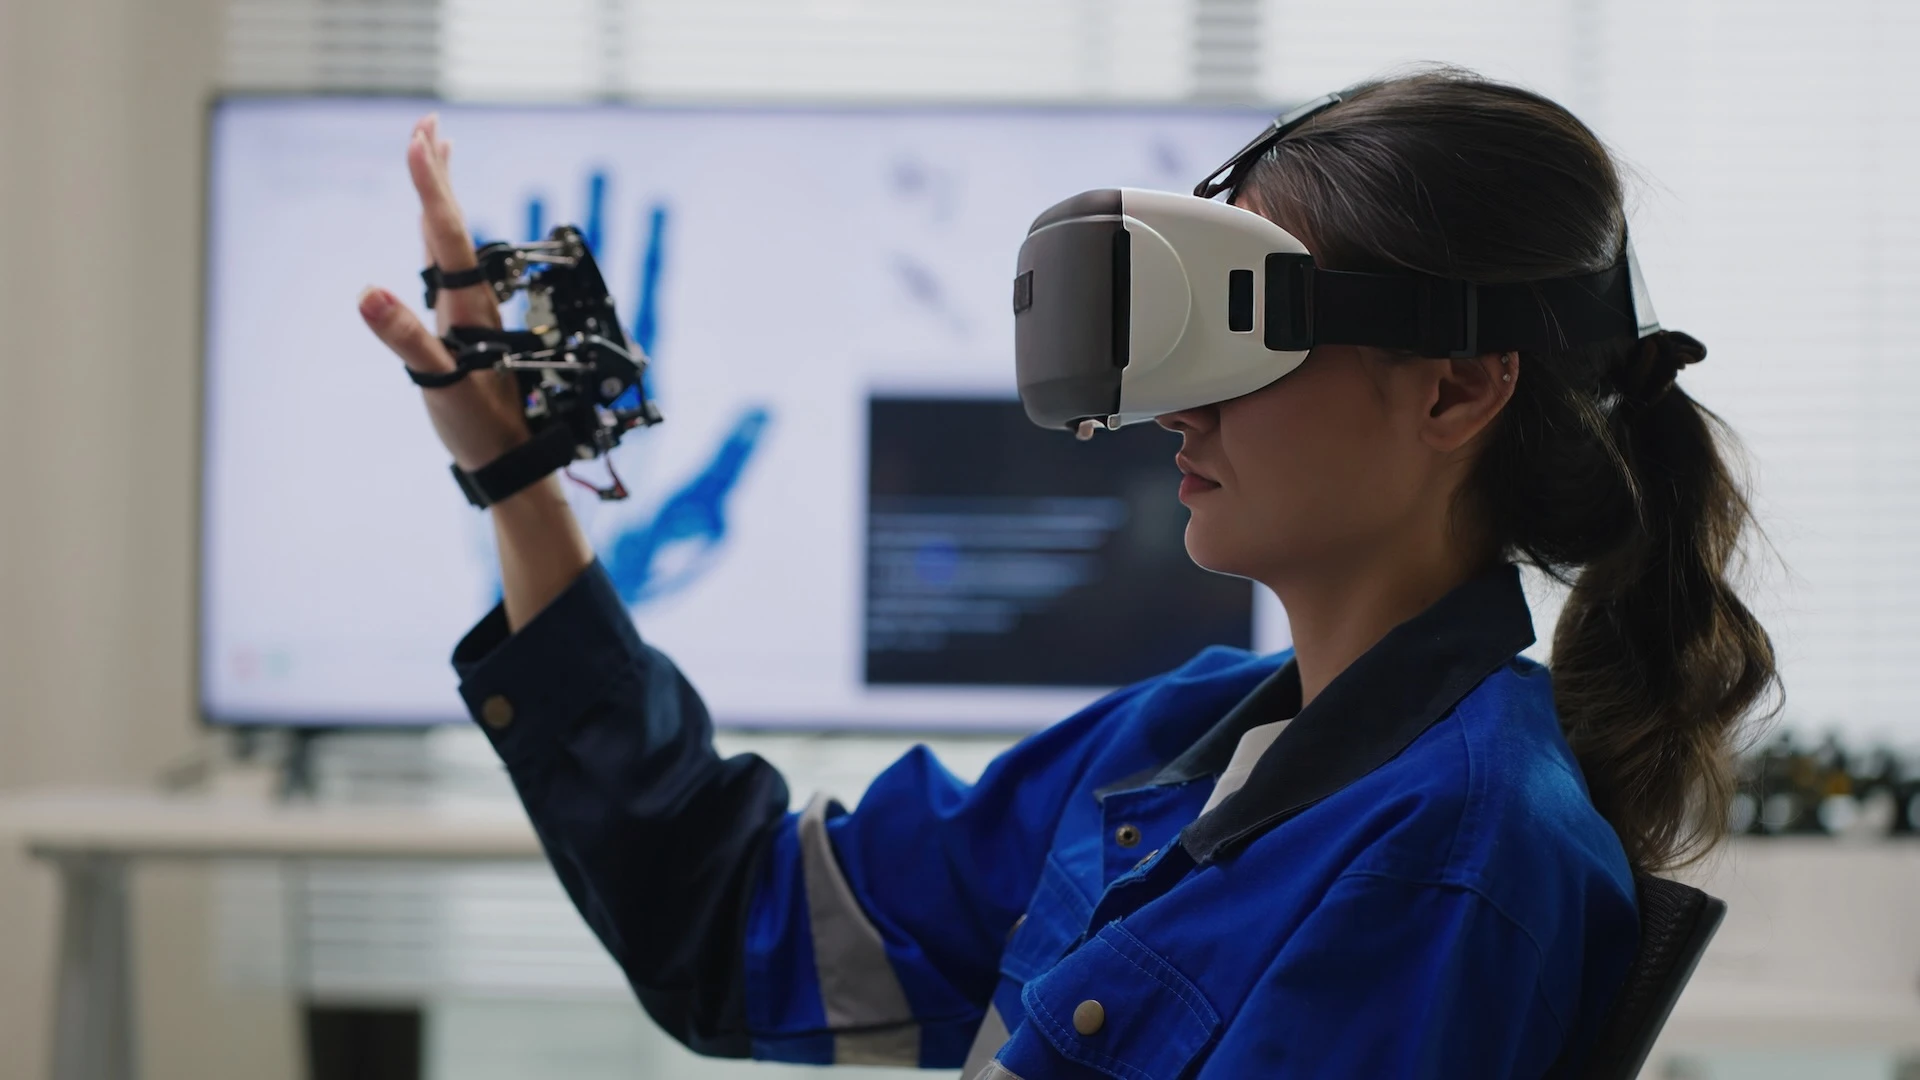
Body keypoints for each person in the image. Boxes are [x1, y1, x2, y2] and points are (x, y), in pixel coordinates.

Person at [356, 69, 1777, 1078]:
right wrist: (524, 488)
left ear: (1459, 391)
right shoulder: (1183, 743)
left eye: (1249, 336)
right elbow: (738, 934)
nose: (1180, 408)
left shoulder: (1457, 863)